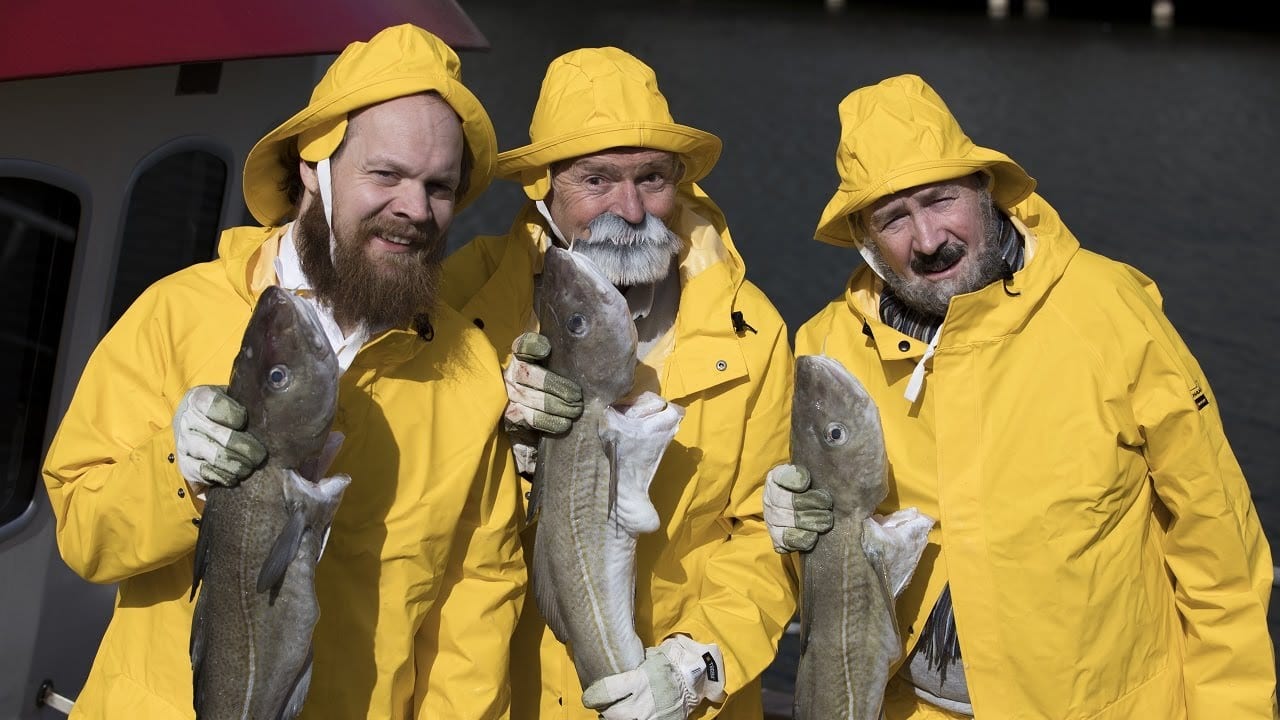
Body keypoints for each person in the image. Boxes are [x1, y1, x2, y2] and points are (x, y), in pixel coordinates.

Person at [41, 24, 526, 719]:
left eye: (438, 186)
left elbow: (474, 609)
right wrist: (178, 471)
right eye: (385, 174)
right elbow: (83, 534)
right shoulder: (177, 313)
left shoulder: (467, 372)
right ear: (313, 168)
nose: (415, 210)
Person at [763, 73, 1277, 719]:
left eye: (940, 199)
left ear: (984, 191)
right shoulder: (826, 352)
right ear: (865, 237)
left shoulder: (1110, 310)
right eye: (894, 218)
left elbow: (1219, 550)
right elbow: (829, 581)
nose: (928, 240)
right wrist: (788, 537)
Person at [442, 47, 798, 720]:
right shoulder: (469, 300)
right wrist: (506, 449)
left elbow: (768, 536)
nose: (630, 209)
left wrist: (700, 662)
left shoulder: (753, 332)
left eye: (652, 178)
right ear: (542, 185)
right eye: (597, 180)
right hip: (514, 696)